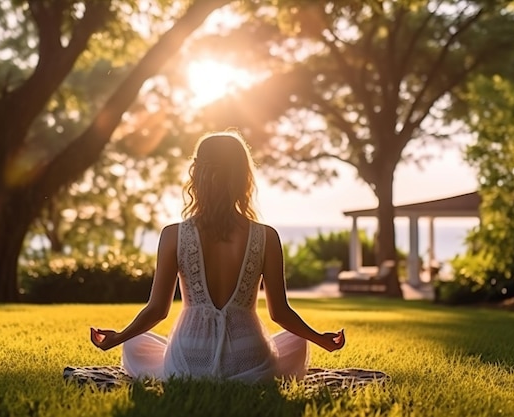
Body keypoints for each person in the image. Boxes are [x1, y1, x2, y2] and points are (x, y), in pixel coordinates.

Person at [90, 130, 345, 382]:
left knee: (135, 343)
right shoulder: (266, 236)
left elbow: (157, 310)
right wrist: (320, 339)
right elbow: (280, 313)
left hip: (189, 360)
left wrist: (119, 337)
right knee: (297, 341)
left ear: (196, 175)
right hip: (249, 357)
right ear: (244, 177)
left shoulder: (172, 235)